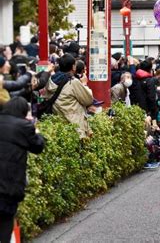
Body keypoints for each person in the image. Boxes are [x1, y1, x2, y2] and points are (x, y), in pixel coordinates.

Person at [0, 97, 45, 242]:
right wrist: (35, 129)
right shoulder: (24, 126)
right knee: (5, 223)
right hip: (8, 186)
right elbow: (38, 146)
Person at [43, 53, 93, 138]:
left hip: (59, 127)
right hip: (75, 127)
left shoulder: (50, 81)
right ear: (73, 67)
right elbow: (88, 100)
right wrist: (84, 84)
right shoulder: (73, 82)